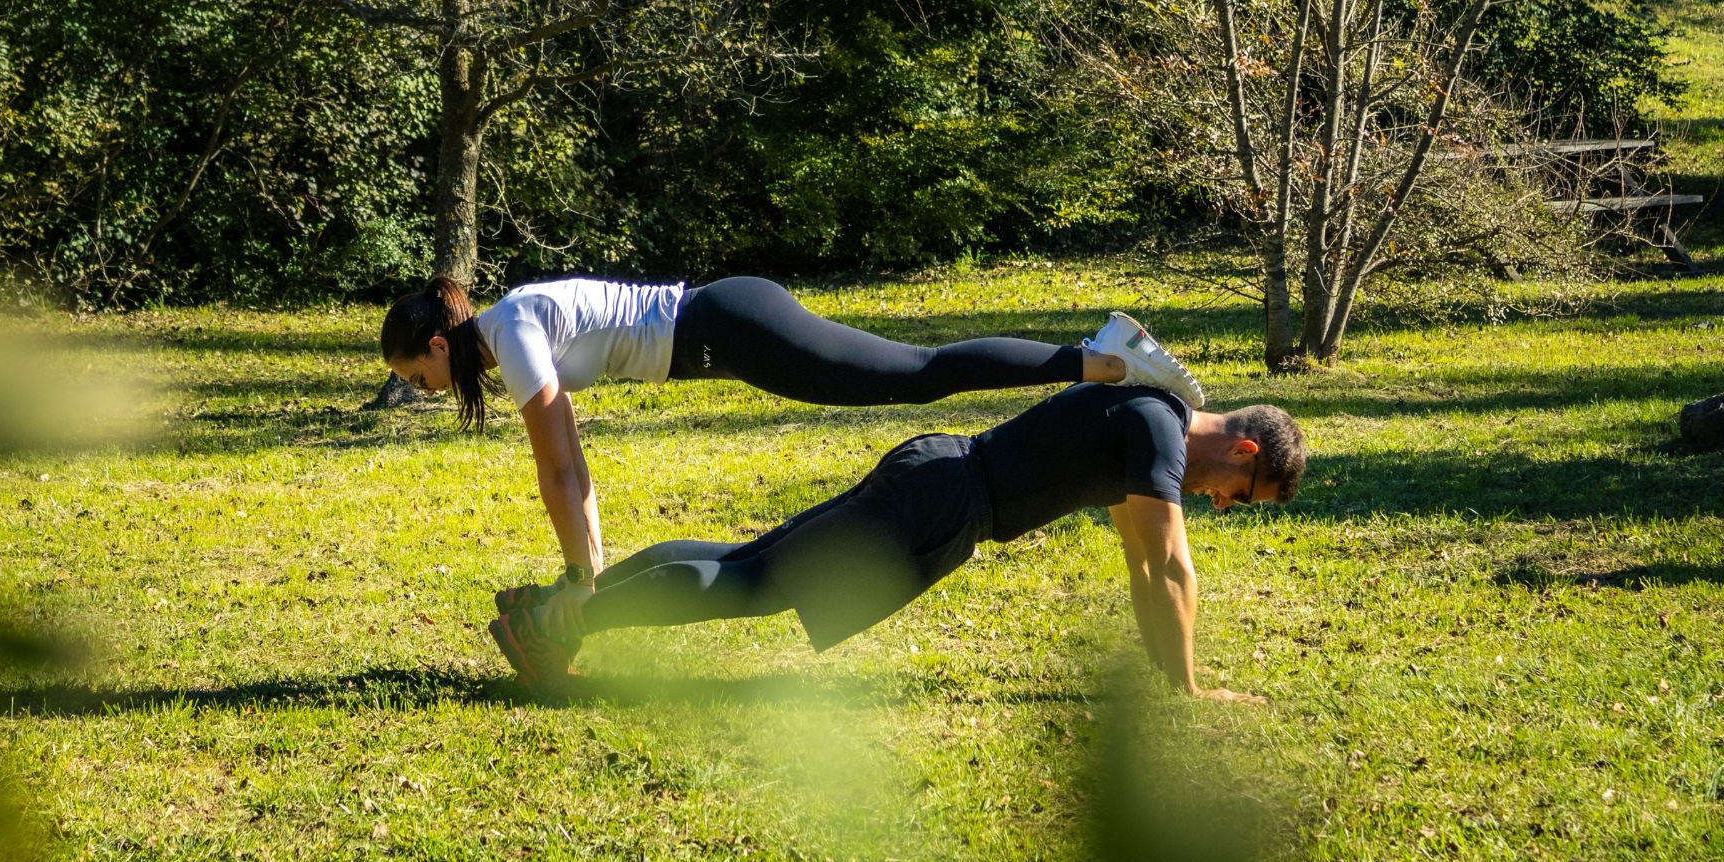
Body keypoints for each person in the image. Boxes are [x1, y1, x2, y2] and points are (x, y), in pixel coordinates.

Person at [380, 275, 1205, 592]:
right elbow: (572, 469)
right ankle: (1095, 359)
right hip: (727, 334)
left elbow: (560, 471)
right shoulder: (513, 328)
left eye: (419, 376)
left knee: (917, 373)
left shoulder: (516, 335)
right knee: (914, 374)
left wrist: (578, 570)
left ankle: (1101, 360)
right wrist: (584, 567)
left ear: (440, 347)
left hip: (731, 325)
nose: (425, 389)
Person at [487, 383, 1307, 701]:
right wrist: (1195, 693)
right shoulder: (1158, 434)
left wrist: (1175, 679)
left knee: (748, 562)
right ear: (1243, 451)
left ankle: (557, 608)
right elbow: (1170, 564)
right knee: (753, 584)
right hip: (946, 501)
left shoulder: (1147, 424)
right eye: (1245, 494)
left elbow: (1142, 563)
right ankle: (556, 629)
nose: (1226, 505)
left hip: (940, 477)